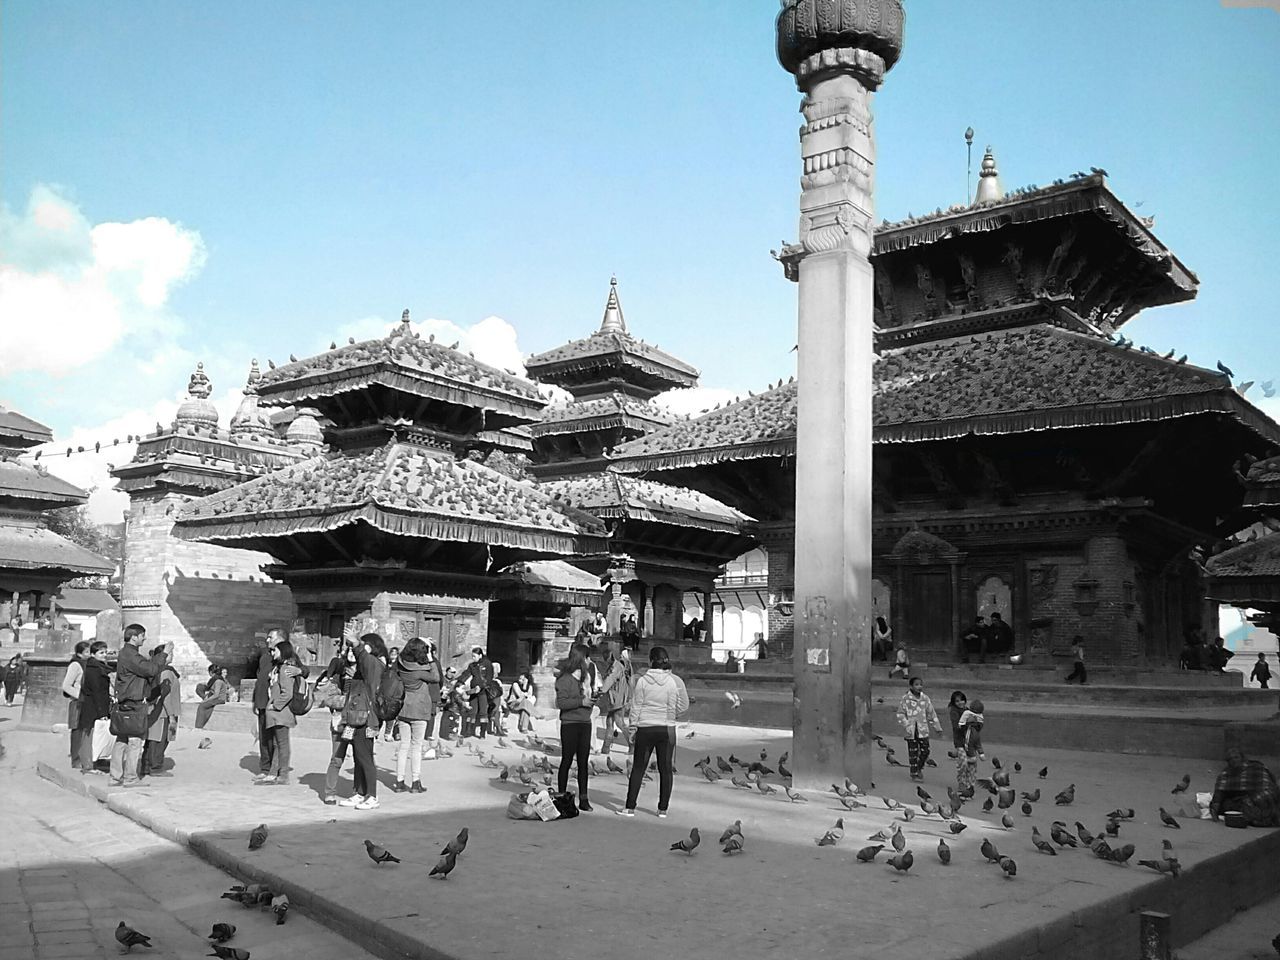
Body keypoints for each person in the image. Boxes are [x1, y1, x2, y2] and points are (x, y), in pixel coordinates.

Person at [616, 646, 688, 818]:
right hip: (667, 728)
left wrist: (633, 728)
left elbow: (636, 707)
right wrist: (671, 713)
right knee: (666, 769)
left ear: (650, 661)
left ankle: (630, 807)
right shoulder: (674, 681)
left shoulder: (642, 681)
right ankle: (662, 809)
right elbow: (681, 705)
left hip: (645, 727)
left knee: (639, 768)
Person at [110, 624, 167, 787]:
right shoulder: (130, 655)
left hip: (125, 701)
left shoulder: (126, 654)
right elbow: (150, 669)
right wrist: (164, 654)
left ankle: (115, 776)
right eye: (142, 635)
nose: (145, 638)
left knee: (121, 740)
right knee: (134, 740)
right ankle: (130, 777)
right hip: (134, 702)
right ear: (134, 637)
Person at [336, 633, 387, 810]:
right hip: (356, 717)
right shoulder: (363, 668)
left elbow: (364, 659)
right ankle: (359, 792)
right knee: (358, 758)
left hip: (367, 719)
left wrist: (357, 643)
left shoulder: (374, 664)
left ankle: (372, 796)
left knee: (365, 758)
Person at [393, 638, 441, 794]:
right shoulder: (421, 670)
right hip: (419, 709)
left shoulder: (400, 665)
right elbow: (436, 677)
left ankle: (399, 782)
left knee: (403, 746)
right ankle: (415, 782)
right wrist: (430, 656)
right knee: (416, 746)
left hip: (403, 709)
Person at [555, 645, 596, 811]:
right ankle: (562, 796)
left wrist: (593, 698)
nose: (589, 661)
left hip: (585, 722)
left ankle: (584, 798)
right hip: (570, 724)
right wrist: (581, 702)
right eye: (587, 658)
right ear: (580, 659)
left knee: (583, 763)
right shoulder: (564, 679)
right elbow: (562, 703)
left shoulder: (585, 678)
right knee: (566, 760)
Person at [257, 639, 303, 786]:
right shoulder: (279, 668)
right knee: (278, 744)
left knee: (282, 744)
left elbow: (287, 693)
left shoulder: (285, 669)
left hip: (281, 713)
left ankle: (282, 775)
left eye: (275, 650)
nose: (272, 653)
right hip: (278, 713)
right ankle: (273, 772)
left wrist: (275, 706)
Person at [1209, 746, 1280, 826]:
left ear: (1242, 758)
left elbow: (1270, 789)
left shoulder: (1257, 768)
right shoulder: (1225, 775)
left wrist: (1253, 799)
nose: (1233, 760)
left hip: (1258, 800)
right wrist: (1215, 808)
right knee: (1227, 806)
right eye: (1230, 759)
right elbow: (1218, 796)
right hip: (1239, 803)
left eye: (1236, 757)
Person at [142, 644, 180, 779]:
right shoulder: (166, 672)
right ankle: (155, 767)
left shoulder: (158, 670)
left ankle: (146, 766)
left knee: (152, 739)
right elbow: (166, 695)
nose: (172, 655)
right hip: (163, 712)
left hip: (156, 710)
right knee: (159, 740)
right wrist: (172, 716)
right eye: (170, 653)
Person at [251, 628, 284, 782]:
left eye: (271, 637)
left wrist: (298, 671)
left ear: (280, 639)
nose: (268, 640)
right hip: (262, 702)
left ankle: (276, 770)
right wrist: (255, 701)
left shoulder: (285, 656)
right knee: (264, 737)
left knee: (276, 740)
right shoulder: (264, 657)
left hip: (276, 705)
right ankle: (265, 767)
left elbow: (303, 671)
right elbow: (260, 679)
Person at [895, 675, 942, 782]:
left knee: (925, 751)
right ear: (911, 686)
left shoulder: (925, 699)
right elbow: (900, 713)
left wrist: (937, 727)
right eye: (916, 685)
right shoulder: (906, 698)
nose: (919, 687)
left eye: (920, 684)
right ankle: (914, 774)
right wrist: (907, 724)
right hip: (911, 731)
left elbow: (931, 713)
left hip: (923, 729)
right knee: (913, 753)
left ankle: (919, 768)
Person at [76, 641, 112, 775]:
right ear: (93, 654)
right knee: (89, 736)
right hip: (93, 708)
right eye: (101, 653)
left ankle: (95, 762)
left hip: (96, 706)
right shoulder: (94, 670)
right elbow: (97, 692)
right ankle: (88, 765)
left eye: (105, 652)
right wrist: (102, 712)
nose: (104, 655)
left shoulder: (99, 667)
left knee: (95, 736)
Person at [598, 645, 633, 755]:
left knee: (619, 722)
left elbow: (609, 680)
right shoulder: (615, 666)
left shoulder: (616, 667)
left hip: (617, 700)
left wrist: (601, 691)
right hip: (614, 699)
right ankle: (606, 748)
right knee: (609, 722)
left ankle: (632, 744)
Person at [62, 641, 90, 769]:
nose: (89, 654)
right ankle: (76, 759)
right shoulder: (75, 665)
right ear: (79, 653)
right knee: (77, 731)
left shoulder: (89, 664)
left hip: (88, 701)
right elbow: (66, 685)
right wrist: (79, 695)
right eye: (87, 652)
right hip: (78, 702)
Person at [464, 646, 496, 739]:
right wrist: (459, 683)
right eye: (472, 656)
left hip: (483, 692)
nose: (473, 658)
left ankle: (482, 733)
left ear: (480, 655)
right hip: (473, 692)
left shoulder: (487, 664)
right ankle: (469, 731)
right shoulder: (472, 665)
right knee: (472, 711)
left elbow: (489, 678)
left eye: (474, 656)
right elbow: (466, 674)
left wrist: (481, 686)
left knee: (483, 712)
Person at [194, 665, 230, 729]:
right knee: (206, 706)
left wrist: (206, 700)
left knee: (202, 706)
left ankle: (198, 727)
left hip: (219, 699)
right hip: (216, 698)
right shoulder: (216, 679)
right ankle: (200, 725)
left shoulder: (218, 681)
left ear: (211, 672)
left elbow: (216, 694)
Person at [381, 646, 402, 742]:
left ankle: (390, 733)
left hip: (395, 691)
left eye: (395, 654)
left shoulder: (399, 665)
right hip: (384, 690)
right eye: (392, 654)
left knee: (393, 713)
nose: (393, 656)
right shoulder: (385, 664)